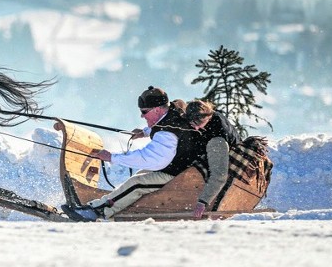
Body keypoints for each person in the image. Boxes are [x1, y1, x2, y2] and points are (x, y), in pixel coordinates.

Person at [62, 86, 205, 222]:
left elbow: (150, 158)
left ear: (156, 110)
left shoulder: (166, 134)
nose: (142, 116)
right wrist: (145, 132)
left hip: (180, 173)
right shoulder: (173, 112)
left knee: (136, 183)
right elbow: (167, 125)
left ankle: (97, 212)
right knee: (140, 175)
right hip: (181, 164)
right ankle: (106, 202)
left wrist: (111, 157)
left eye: (144, 112)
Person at [184, 100, 240, 219]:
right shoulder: (212, 116)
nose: (194, 127)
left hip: (227, 161)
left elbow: (220, 175)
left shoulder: (217, 139)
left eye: (196, 123)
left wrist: (203, 201)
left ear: (204, 117)